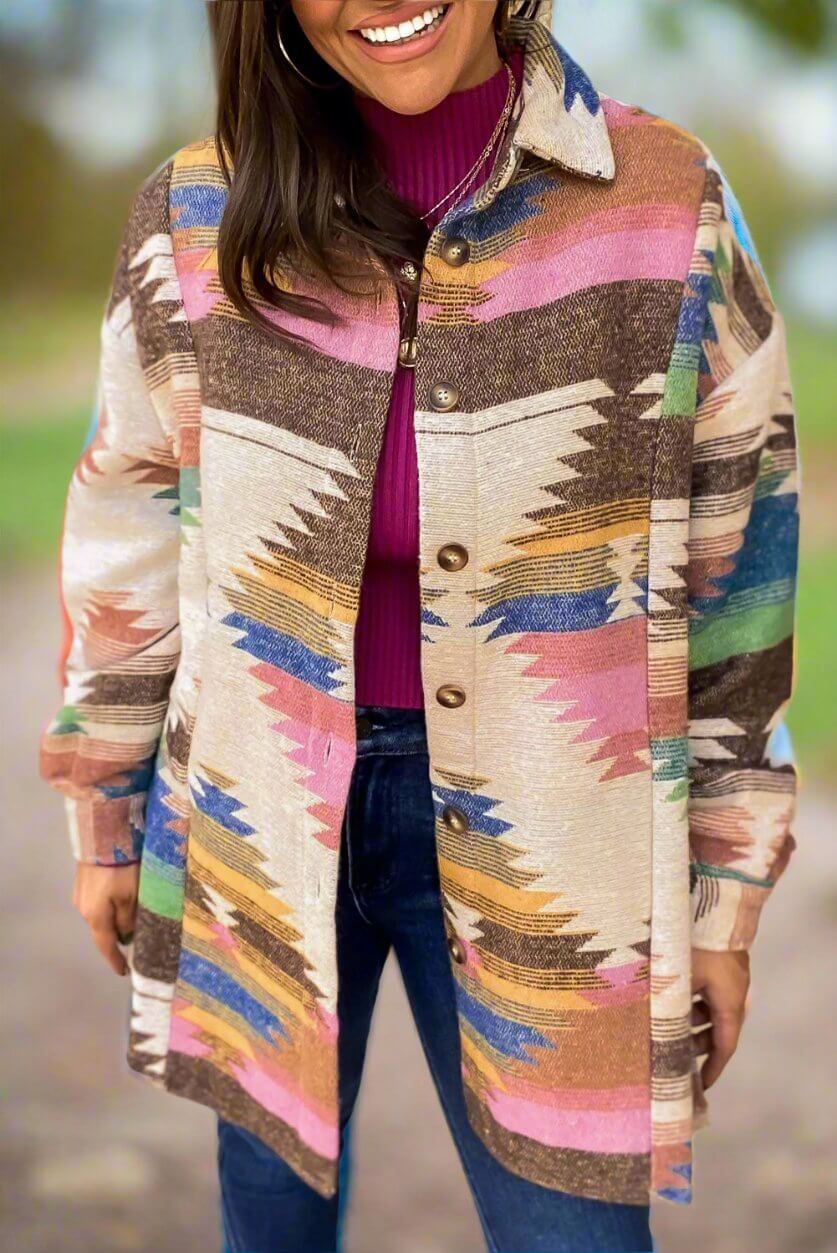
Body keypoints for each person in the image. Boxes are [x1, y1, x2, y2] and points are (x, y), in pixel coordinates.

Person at [38, 1, 800, 1250]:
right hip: (261, 827)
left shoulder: (668, 201)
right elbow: (128, 519)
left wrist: (723, 890)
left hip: (563, 852)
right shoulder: (194, 214)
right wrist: (108, 810)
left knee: (577, 1237)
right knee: (268, 1223)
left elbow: (743, 568)